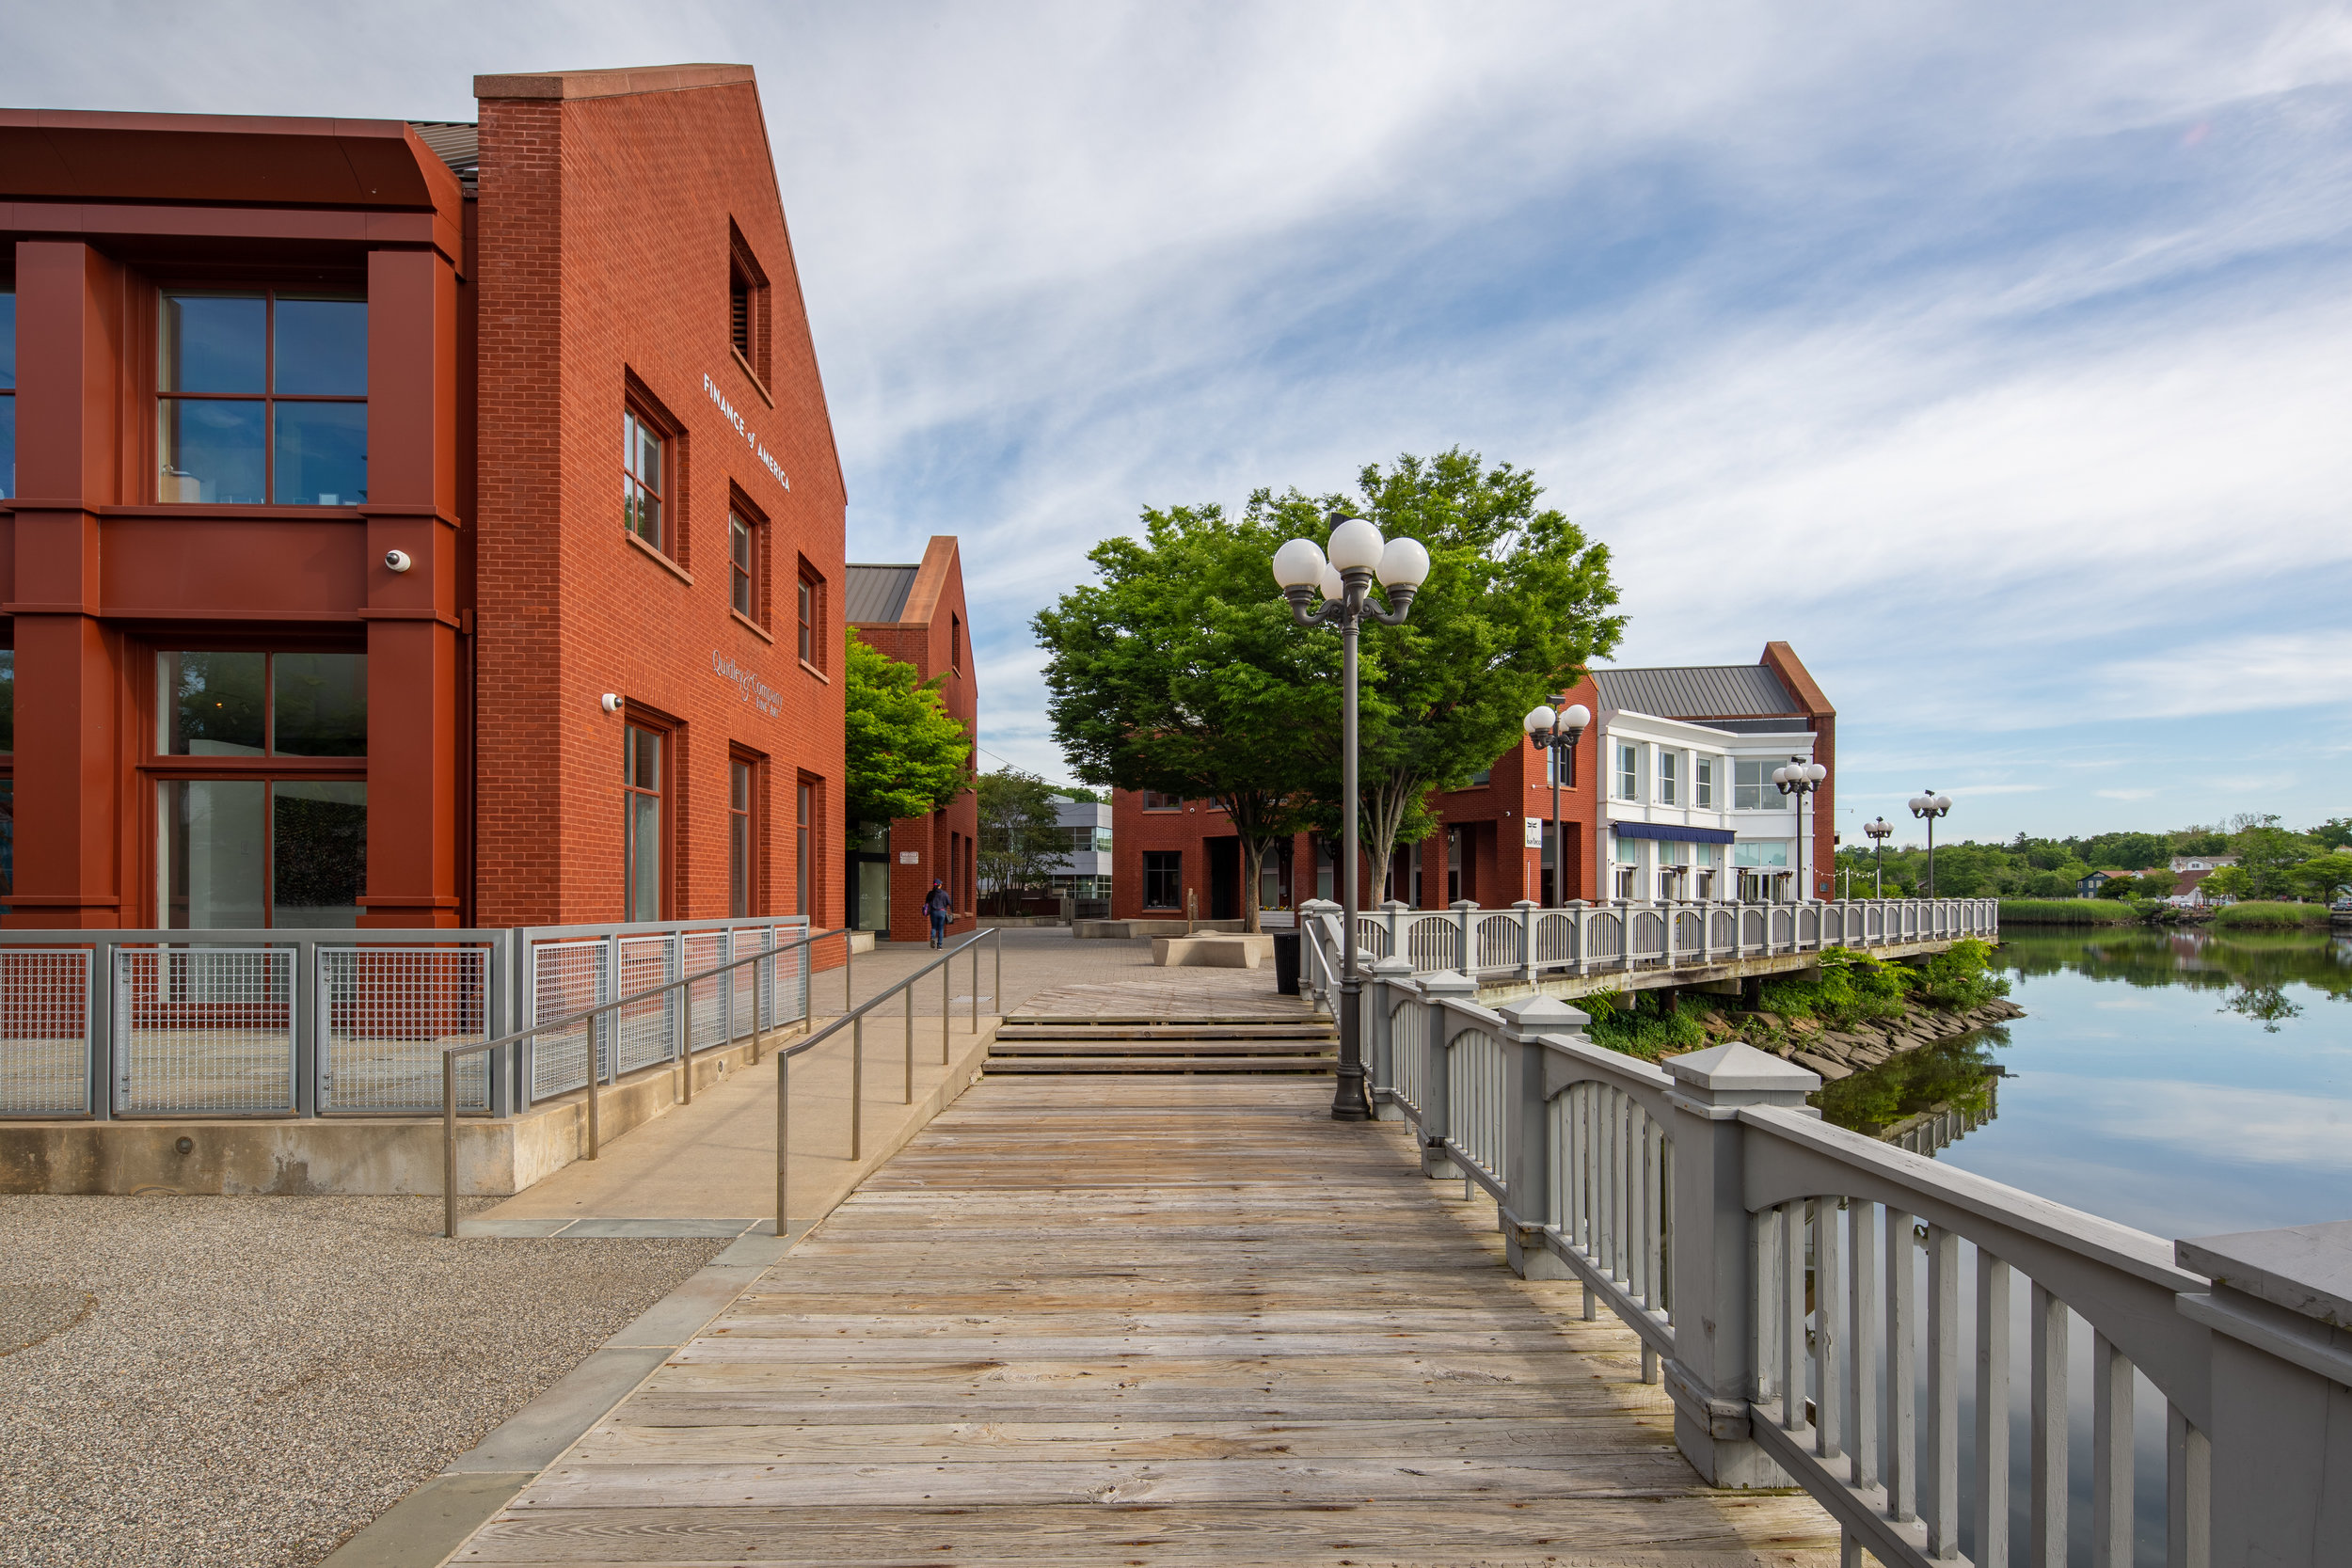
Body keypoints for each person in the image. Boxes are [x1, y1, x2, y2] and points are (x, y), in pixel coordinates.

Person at [923, 879, 952, 948]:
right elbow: (949, 903)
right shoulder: (944, 894)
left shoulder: (930, 893)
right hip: (942, 912)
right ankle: (939, 945)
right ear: (940, 885)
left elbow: (926, 902)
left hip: (933, 912)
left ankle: (932, 937)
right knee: (941, 928)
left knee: (934, 927)